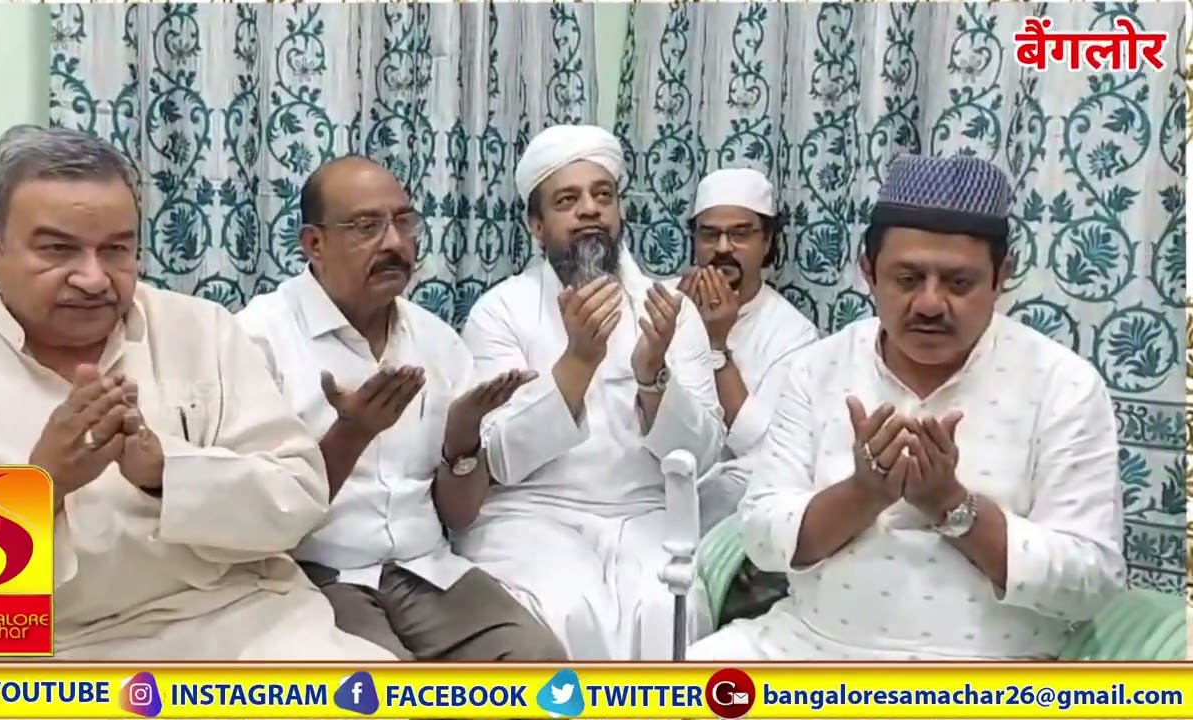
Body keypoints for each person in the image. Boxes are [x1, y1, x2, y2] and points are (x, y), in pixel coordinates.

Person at [0, 126, 397, 661]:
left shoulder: (202, 330)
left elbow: (299, 501)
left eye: (116, 249)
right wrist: (36, 489)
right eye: (57, 249)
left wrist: (165, 473)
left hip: (241, 619)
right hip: (49, 651)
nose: (93, 279)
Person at [687, 154, 1126, 660]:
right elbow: (761, 536)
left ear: (1001, 276)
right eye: (907, 279)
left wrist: (950, 504)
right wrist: (863, 493)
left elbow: (1091, 577)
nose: (930, 304)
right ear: (869, 272)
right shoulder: (818, 368)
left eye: (958, 283)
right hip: (806, 646)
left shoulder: (1063, 385)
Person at [236, 155, 567, 661]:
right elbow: (253, 522)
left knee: (539, 664)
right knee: (384, 687)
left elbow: (460, 514)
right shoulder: (258, 338)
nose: (394, 242)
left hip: (425, 569)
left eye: (404, 222)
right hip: (313, 573)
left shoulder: (436, 341)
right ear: (314, 244)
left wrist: (462, 440)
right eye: (365, 226)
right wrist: (351, 433)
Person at [454, 124, 726, 660]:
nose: (589, 210)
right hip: (530, 514)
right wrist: (578, 363)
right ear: (536, 226)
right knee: (569, 610)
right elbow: (498, 459)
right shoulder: (500, 312)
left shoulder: (669, 309)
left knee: (668, 608)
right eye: (567, 200)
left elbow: (704, 456)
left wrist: (653, 376)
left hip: (646, 513)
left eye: (603, 196)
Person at [671, 168, 819, 531]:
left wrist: (715, 344)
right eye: (710, 234)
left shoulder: (793, 334)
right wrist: (681, 324)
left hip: (730, 498)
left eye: (740, 234)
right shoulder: (659, 301)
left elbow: (766, 447)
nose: (723, 248)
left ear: (766, 242)